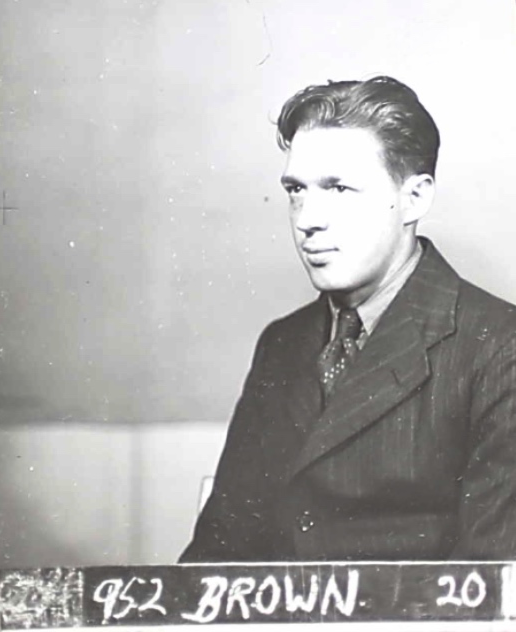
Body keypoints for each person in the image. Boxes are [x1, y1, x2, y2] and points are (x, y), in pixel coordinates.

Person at [179, 76, 516, 562]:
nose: (307, 220)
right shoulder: (282, 343)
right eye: (296, 190)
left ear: (414, 199)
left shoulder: (499, 347)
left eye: (338, 188)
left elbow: (491, 583)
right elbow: (219, 552)